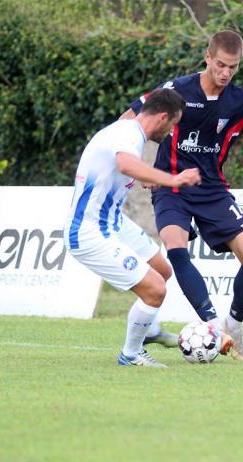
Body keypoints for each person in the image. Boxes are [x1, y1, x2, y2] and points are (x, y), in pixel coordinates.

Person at [120, 29, 243, 361]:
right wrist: (140, 167)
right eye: (220, 64)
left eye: (232, 68)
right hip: (172, 188)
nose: (225, 73)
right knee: (176, 250)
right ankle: (212, 324)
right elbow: (130, 120)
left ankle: (233, 324)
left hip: (212, 191)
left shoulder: (239, 102)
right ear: (207, 57)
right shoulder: (176, 90)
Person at [64, 88, 201, 368]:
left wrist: (151, 178)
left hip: (114, 222)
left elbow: (120, 168)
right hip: (89, 231)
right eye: (173, 125)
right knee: (155, 290)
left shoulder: (127, 130)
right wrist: (173, 180)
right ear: (163, 118)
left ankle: (149, 329)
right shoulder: (128, 135)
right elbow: (126, 165)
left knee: (163, 271)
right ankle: (131, 353)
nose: (172, 131)